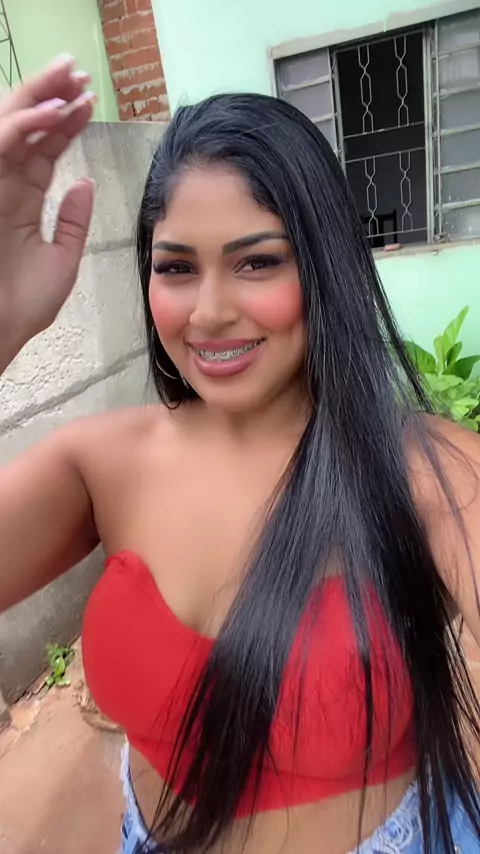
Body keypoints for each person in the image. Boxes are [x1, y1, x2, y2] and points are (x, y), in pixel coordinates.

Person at [0, 54, 479, 854]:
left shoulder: (427, 471)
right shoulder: (99, 464)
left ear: (324, 266)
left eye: (257, 261)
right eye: (177, 268)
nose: (210, 312)